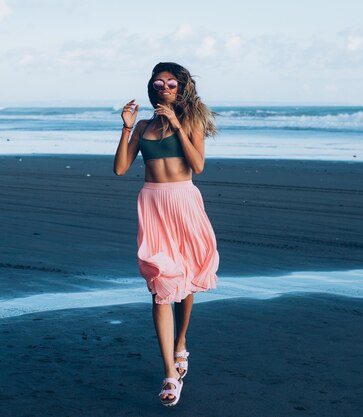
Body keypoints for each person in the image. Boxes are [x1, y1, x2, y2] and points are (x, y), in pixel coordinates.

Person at [113, 62, 220, 407]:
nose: (164, 87)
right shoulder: (143, 126)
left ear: (182, 86)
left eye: (171, 82)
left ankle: (181, 342)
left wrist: (177, 124)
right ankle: (170, 375)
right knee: (162, 286)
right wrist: (126, 129)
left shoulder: (192, 122)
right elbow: (120, 169)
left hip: (184, 202)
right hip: (153, 206)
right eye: (158, 82)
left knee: (185, 281)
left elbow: (198, 165)